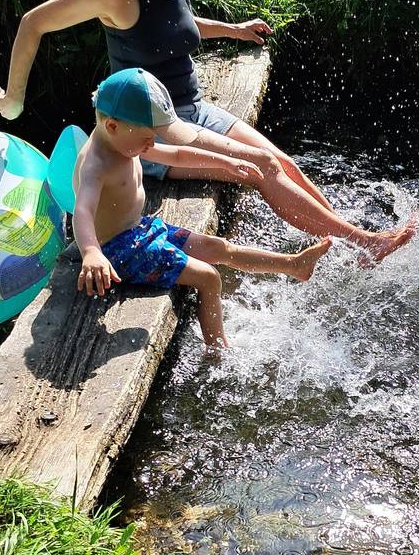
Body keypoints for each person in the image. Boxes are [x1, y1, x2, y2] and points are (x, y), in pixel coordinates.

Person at [0, 0, 415, 262]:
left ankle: (345, 234)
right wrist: (13, 99)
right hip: (154, 130)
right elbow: (34, 22)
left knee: (281, 160)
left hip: (194, 109)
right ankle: (367, 243)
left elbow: (180, 27)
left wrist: (233, 30)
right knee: (262, 167)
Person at [74, 68, 332, 349]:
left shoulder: (126, 140)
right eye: (149, 138)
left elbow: (177, 154)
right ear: (112, 125)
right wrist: (91, 253)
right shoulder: (96, 163)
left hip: (140, 230)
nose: (152, 144)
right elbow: (83, 211)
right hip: (118, 252)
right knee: (209, 277)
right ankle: (217, 349)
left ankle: (293, 265)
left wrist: (224, 162)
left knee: (218, 248)